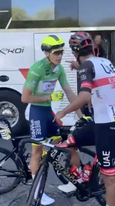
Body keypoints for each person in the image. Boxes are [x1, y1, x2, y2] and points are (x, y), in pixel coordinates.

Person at [55, 31, 115, 206]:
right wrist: (78, 67)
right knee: (69, 142)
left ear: (75, 51)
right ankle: (80, 177)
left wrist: (62, 113)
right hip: (99, 122)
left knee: (109, 178)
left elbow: (84, 97)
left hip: (108, 127)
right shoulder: (104, 62)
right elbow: (98, 76)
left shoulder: (87, 66)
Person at [21, 35, 82, 205]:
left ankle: (73, 180)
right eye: (56, 53)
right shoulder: (37, 68)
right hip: (37, 112)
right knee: (37, 151)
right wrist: (49, 96)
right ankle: (36, 192)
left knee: (65, 144)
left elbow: (70, 94)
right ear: (47, 53)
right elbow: (25, 98)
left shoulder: (59, 69)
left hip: (48, 112)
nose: (60, 56)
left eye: (61, 52)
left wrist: (82, 116)